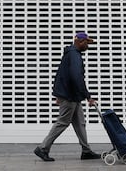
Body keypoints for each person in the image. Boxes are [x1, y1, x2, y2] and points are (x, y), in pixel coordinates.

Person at [34, 32, 100, 161]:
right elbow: (76, 78)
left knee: (80, 123)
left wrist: (58, 94)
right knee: (62, 122)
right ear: (80, 41)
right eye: (87, 42)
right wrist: (88, 96)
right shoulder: (74, 55)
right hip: (70, 96)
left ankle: (86, 151)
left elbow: (60, 75)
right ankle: (43, 148)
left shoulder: (70, 54)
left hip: (73, 96)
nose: (88, 45)